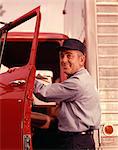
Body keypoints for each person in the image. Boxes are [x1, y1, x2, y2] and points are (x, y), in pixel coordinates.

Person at [34, 38, 101, 150]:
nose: (64, 60)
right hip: (78, 140)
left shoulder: (77, 83)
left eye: (69, 56)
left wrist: (27, 79)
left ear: (81, 60)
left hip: (76, 142)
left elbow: (44, 93)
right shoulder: (82, 79)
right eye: (62, 56)